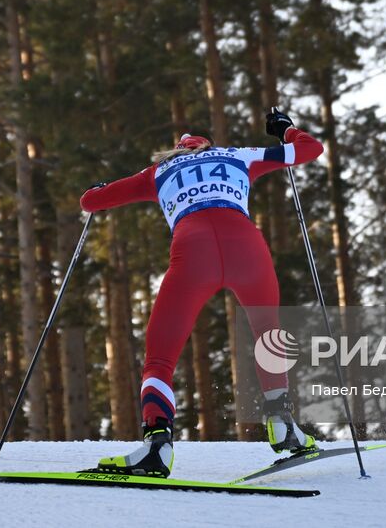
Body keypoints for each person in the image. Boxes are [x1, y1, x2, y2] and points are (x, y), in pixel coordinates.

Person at [78, 108, 323, 478]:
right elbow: (310, 150)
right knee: (267, 334)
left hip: (194, 252)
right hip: (247, 249)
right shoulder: (237, 155)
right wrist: (284, 129)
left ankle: (157, 446)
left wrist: (98, 189)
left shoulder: (158, 172)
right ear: (209, 146)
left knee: (160, 355)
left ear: (175, 151)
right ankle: (283, 423)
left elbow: (89, 203)